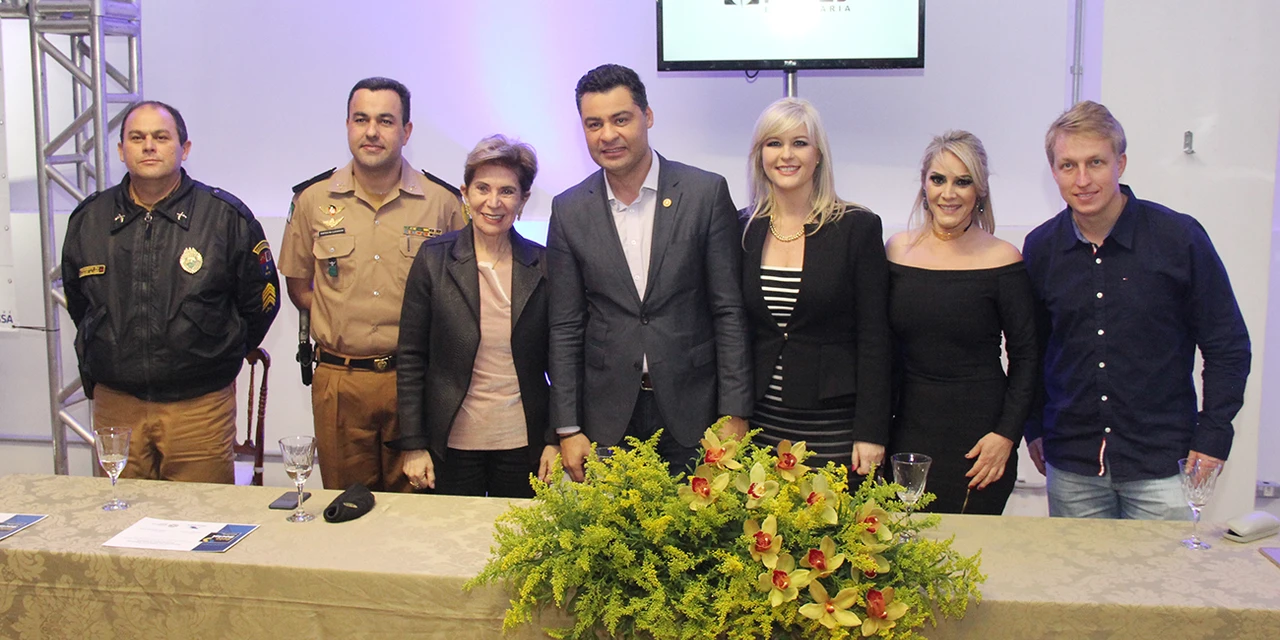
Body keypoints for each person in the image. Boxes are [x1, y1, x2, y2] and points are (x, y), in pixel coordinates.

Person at [1023, 101, 1251, 519]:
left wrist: (1213, 435)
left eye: (1096, 162)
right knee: (1076, 568)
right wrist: (1033, 425)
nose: (1083, 179)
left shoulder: (1178, 238)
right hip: (1073, 467)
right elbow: (1033, 350)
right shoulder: (1041, 248)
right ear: (1053, 171)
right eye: (1068, 165)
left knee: (1163, 567)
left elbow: (1227, 346)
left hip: (1163, 466)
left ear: (1121, 164)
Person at [547, 64, 754, 481]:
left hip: (695, 416)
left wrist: (734, 411)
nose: (608, 135)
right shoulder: (569, 209)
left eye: (621, 119)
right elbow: (566, 326)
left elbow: (729, 310)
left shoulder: (705, 193)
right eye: (594, 124)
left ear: (648, 116)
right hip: (607, 422)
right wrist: (567, 427)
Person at [62, 100, 279, 483]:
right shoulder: (90, 219)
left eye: (161, 137)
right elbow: (81, 304)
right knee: (120, 512)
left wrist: (218, 355)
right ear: (121, 150)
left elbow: (260, 302)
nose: (149, 146)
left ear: (185, 148)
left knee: (201, 514)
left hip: (199, 408)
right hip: (117, 406)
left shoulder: (224, 217)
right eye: (137, 138)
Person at [279, 77, 465, 492]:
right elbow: (299, 286)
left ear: (406, 131)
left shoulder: (443, 202)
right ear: (347, 125)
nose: (371, 132)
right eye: (361, 119)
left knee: (419, 507)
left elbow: (462, 293)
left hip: (416, 381)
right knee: (346, 506)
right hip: (341, 380)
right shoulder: (312, 200)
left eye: (385, 121)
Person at [390, 135, 559, 496]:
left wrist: (554, 439)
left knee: (518, 532)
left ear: (523, 199)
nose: (493, 202)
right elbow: (411, 357)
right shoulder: (433, 259)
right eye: (483, 188)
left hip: (521, 443)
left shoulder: (544, 265)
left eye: (507, 191)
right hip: (449, 444)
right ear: (465, 193)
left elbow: (562, 360)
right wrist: (414, 444)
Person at [884, 130, 1038, 514]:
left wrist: (1006, 435)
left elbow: (1027, 357)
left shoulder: (1004, 259)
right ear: (924, 185)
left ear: (980, 190)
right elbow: (876, 348)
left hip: (980, 444)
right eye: (938, 179)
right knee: (905, 547)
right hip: (905, 434)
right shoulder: (895, 251)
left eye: (962, 181)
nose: (948, 193)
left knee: (973, 548)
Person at [739, 97, 890, 475]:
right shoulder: (741, 228)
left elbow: (876, 338)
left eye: (800, 143)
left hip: (833, 427)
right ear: (759, 155)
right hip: (759, 424)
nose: (786, 155)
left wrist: (872, 431)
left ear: (818, 154)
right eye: (774, 143)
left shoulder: (857, 227)